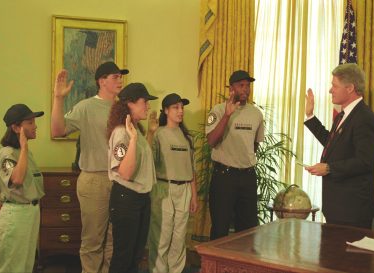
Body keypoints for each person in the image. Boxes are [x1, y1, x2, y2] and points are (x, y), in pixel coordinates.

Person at [51, 61, 129, 273]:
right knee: (93, 241)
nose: (120, 80)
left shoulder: (123, 107)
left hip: (122, 180)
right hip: (95, 179)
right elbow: (57, 130)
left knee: (114, 239)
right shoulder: (86, 106)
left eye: (121, 76)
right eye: (115, 77)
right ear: (102, 81)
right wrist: (58, 99)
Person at [304, 63, 374, 229]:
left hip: (352, 211)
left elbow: (365, 161)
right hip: (338, 208)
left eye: (334, 86)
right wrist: (310, 116)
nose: (330, 90)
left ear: (350, 88)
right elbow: (332, 144)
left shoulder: (364, 118)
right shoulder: (344, 115)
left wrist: (329, 168)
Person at [206, 70, 265, 240]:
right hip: (224, 177)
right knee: (220, 227)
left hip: (247, 176)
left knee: (248, 230)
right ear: (231, 88)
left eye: (248, 85)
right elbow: (211, 141)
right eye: (241, 85)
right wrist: (227, 115)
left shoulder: (256, 113)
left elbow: (254, 144)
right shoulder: (218, 110)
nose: (245, 89)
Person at [107, 83, 158, 273]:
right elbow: (126, 173)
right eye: (144, 102)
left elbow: (142, 162)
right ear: (130, 104)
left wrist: (150, 133)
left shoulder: (135, 131)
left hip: (140, 198)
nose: (148, 106)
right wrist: (134, 139)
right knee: (123, 257)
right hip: (126, 199)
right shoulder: (123, 133)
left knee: (135, 256)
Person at [147, 93, 198, 273]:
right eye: (176, 107)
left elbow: (192, 169)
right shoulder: (159, 133)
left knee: (179, 237)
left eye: (182, 107)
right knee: (161, 236)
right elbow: (149, 162)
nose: (180, 110)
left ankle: (176, 270)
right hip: (163, 188)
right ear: (166, 111)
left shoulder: (188, 137)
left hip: (184, 190)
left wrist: (194, 196)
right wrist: (150, 133)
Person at [0, 104, 44, 273]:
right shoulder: (8, 153)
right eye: (30, 122)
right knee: (10, 267)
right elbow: (16, 179)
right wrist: (24, 148)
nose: (35, 126)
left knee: (25, 265)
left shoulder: (23, 153)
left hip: (29, 213)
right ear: (16, 127)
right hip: (15, 216)